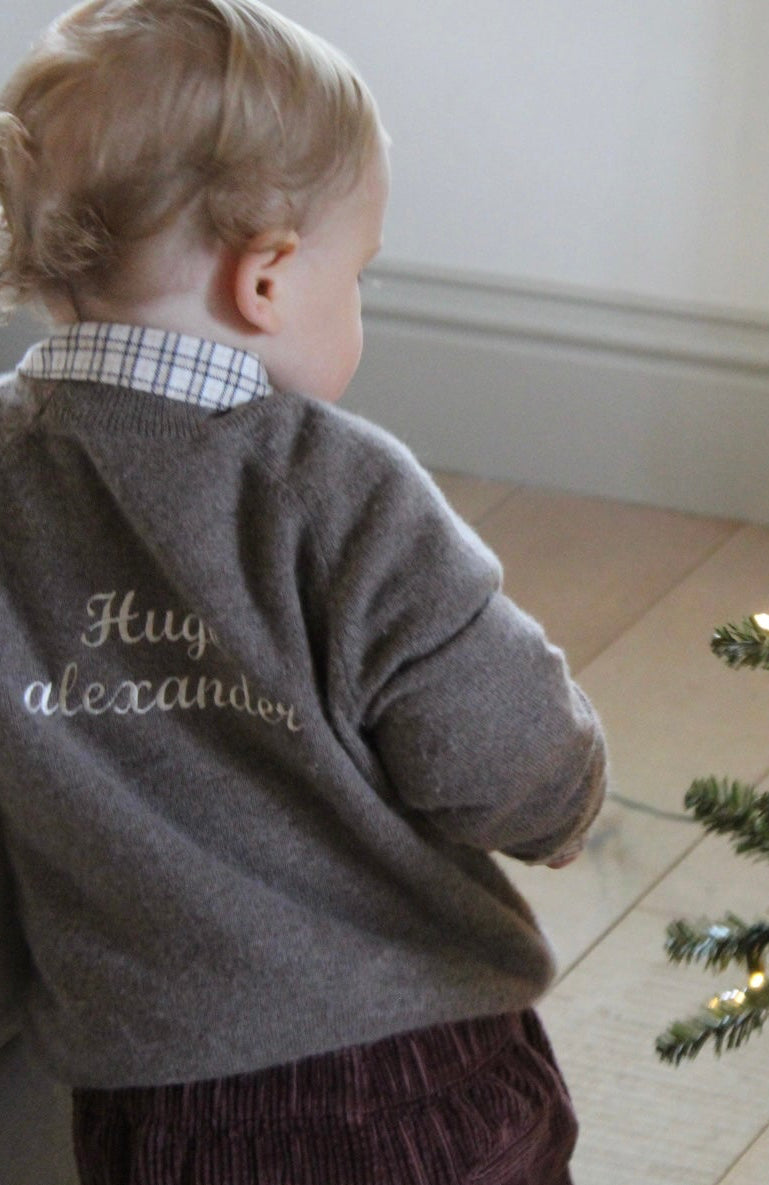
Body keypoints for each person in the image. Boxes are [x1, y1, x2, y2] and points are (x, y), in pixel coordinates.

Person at [0, 2, 607, 1182]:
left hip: (151, 1110)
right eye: (360, 274)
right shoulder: (333, 484)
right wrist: (562, 806)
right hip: (412, 1078)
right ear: (269, 277)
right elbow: (498, 738)